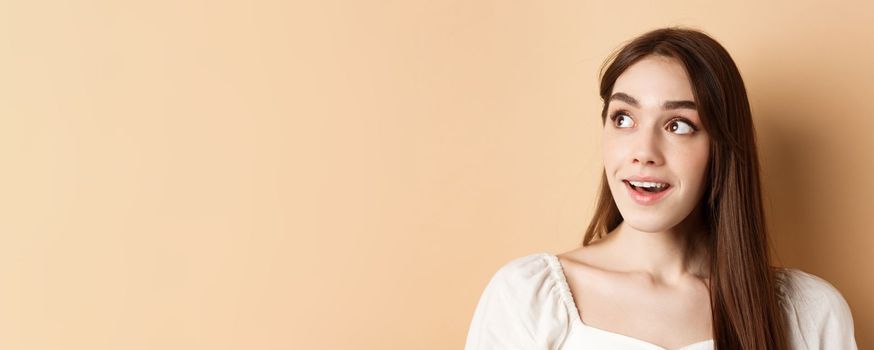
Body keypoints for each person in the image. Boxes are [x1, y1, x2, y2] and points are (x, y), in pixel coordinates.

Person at [463, 27, 857, 350]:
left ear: (721, 147)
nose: (643, 152)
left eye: (679, 125)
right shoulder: (527, 298)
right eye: (623, 118)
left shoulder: (808, 313)